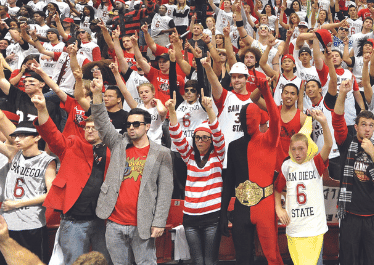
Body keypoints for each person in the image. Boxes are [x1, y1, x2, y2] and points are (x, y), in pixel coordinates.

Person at [90, 77, 174, 265]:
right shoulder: (119, 143)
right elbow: (102, 123)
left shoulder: (162, 153)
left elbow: (165, 191)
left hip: (142, 223)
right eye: (129, 124)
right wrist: (97, 95)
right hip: (114, 222)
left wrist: (159, 221)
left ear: (147, 126)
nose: (131, 128)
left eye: (136, 124)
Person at [32, 93, 111, 265]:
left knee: (105, 262)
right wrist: (42, 109)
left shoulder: (113, 151)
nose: (89, 130)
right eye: (87, 127)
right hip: (74, 221)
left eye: (94, 127)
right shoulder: (73, 144)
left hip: (102, 221)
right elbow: (52, 134)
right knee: (74, 262)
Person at [220, 77, 283, 265]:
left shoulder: (269, 140)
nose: (247, 122)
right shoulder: (234, 146)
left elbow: (276, 119)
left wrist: (267, 94)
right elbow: (229, 181)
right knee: (242, 258)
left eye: (251, 118)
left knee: (272, 255)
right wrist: (223, 212)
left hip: (264, 204)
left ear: (257, 119)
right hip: (241, 206)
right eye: (244, 118)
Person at [331, 79, 374, 265]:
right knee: (349, 260)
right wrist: (342, 93)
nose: (367, 129)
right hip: (350, 214)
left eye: (370, 125)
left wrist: (372, 152)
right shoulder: (346, 143)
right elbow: (337, 120)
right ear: (356, 127)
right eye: (363, 125)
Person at [167, 91, 224, 265]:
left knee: (209, 261)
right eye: (197, 137)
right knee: (198, 261)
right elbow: (176, 135)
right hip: (190, 217)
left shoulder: (218, 155)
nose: (200, 141)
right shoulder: (189, 156)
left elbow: (217, 130)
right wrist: (172, 111)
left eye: (205, 138)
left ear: (211, 140)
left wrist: (209, 109)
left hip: (212, 217)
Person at [275, 109, 333, 265]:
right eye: (293, 149)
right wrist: (279, 208)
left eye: (301, 148)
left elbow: (328, 144)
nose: (297, 153)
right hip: (295, 226)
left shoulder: (315, 164)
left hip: (314, 226)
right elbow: (277, 188)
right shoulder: (287, 165)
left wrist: (324, 123)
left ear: (308, 148)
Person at [0, 115, 57, 265]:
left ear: (37, 136)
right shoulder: (13, 154)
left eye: (23, 135)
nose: (17, 139)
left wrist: (17, 204)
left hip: (32, 224)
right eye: (17, 136)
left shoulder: (47, 161)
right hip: (8, 223)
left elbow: (50, 193)